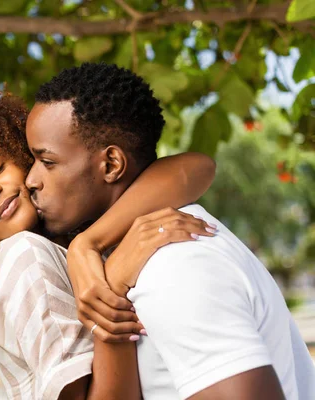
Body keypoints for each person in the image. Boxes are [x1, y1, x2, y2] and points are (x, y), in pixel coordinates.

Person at [0, 84, 216, 399]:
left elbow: (196, 167)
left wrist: (88, 245)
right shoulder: (25, 256)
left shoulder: (70, 239)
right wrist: (113, 280)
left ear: (23, 155)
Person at [25, 62, 315, 399]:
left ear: (111, 165)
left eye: (47, 162)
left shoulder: (173, 265)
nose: (30, 180)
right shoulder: (140, 254)